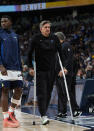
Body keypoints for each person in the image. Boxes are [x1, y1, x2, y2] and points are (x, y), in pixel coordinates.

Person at [28, 20, 66, 125]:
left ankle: (44, 112)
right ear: (41, 29)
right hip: (40, 71)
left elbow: (60, 53)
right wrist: (30, 67)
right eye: (45, 27)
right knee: (42, 93)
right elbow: (29, 53)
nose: (48, 29)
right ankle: (43, 115)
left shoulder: (54, 38)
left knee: (48, 93)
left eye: (49, 27)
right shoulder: (36, 38)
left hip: (52, 71)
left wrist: (64, 67)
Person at [0, 15, 23, 128]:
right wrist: (0, 65)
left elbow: (18, 52)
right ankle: (5, 118)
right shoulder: (0, 34)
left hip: (16, 68)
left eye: (5, 21)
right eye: (1, 21)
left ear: (10, 22)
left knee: (19, 89)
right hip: (5, 68)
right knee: (5, 90)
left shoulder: (15, 35)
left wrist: (21, 68)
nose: (3, 23)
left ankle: (11, 112)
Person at [55, 32, 81, 119]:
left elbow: (70, 58)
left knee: (67, 91)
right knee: (60, 93)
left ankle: (76, 110)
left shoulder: (66, 45)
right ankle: (62, 111)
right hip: (58, 73)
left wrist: (65, 68)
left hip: (65, 73)